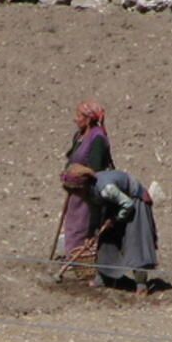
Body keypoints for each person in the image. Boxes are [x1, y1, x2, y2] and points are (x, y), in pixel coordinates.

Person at [63, 163, 158, 293]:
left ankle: (141, 284)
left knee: (136, 242)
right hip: (116, 204)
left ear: (83, 186)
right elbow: (94, 212)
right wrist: (91, 233)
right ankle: (104, 278)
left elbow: (127, 204)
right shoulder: (88, 193)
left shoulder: (106, 188)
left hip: (134, 201)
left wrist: (114, 219)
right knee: (106, 239)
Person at [59, 100, 113, 257]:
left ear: (89, 119)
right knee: (72, 226)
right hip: (75, 192)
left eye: (79, 116)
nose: (76, 119)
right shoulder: (79, 136)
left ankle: (84, 263)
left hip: (88, 194)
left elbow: (96, 169)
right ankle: (73, 259)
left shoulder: (98, 138)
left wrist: (80, 171)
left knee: (84, 228)